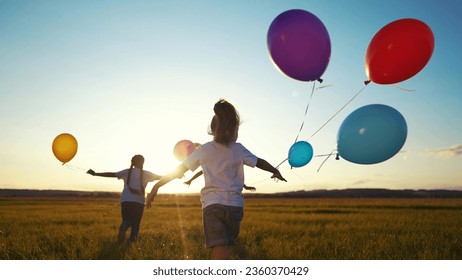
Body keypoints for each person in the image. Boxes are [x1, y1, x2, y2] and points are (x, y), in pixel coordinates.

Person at [146, 99, 286, 259]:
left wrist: (156, 186)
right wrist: (275, 171)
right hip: (235, 208)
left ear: (212, 130)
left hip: (213, 207)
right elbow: (259, 162)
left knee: (220, 252)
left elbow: (178, 170)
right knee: (224, 250)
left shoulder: (204, 150)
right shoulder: (238, 149)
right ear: (234, 129)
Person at [87, 154, 162, 244]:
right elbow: (161, 177)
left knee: (126, 221)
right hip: (138, 202)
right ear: (143, 163)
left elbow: (111, 174)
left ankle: (121, 237)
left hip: (126, 201)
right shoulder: (146, 174)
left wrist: (95, 174)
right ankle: (131, 243)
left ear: (132, 163)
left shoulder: (126, 172)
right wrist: (176, 175)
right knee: (135, 224)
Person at [184, 170, 256, 192]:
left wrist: (245, 187)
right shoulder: (209, 164)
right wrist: (190, 180)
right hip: (214, 197)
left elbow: (233, 176)